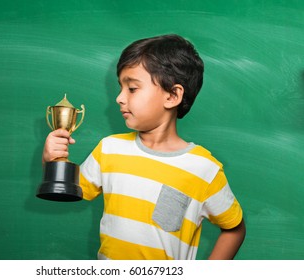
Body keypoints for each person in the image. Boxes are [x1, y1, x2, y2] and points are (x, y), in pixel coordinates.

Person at [43, 34, 246, 260]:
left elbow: (234, 228)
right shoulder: (110, 149)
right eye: (120, 87)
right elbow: (68, 189)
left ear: (172, 95)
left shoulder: (204, 169)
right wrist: (51, 159)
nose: (119, 98)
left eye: (132, 88)